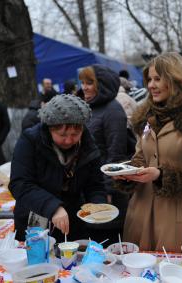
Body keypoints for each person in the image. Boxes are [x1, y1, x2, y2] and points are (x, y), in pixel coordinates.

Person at [113, 52, 182, 252]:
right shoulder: (146, 116)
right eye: (149, 79)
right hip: (141, 213)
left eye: (158, 79)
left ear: (175, 79)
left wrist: (160, 175)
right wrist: (126, 173)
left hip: (177, 218)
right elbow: (140, 157)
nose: (151, 85)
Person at [9, 94, 107, 242]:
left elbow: (95, 184)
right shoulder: (30, 140)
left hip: (72, 223)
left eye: (75, 134)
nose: (69, 140)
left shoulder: (87, 143)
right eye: (62, 135)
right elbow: (20, 184)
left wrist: (97, 204)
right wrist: (53, 207)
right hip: (34, 220)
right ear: (50, 129)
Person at [79, 65, 129, 242]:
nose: (84, 87)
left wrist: (107, 190)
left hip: (108, 191)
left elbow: (116, 155)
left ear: (103, 85)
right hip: (91, 187)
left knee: (106, 239)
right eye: (82, 82)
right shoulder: (90, 107)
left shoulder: (113, 111)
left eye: (89, 83)